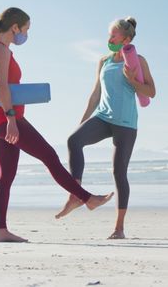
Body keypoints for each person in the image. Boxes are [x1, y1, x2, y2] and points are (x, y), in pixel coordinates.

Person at [0, 7, 113, 243]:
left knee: (6, 176)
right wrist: (10, 120)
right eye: (26, 29)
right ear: (15, 27)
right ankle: (86, 198)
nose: (26, 35)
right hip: (7, 120)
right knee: (49, 155)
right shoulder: (1, 51)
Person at [55, 17, 156, 240]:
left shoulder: (138, 61)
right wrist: (83, 121)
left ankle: (119, 228)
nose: (109, 39)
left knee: (119, 173)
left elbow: (151, 92)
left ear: (126, 39)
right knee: (74, 140)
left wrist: (132, 80)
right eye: (109, 35)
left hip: (126, 123)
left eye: (113, 35)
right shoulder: (104, 61)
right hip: (103, 117)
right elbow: (95, 94)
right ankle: (76, 195)